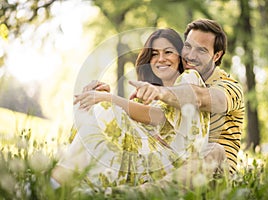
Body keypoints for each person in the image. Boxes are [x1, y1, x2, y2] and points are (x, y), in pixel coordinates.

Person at [50, 28, 210, 190]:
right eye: (154, 54)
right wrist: (102, 97)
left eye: (168, 52)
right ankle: (68, 179)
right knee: (91, 108)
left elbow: (157, 116)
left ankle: (56, 182)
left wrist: (109, 100)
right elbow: (125, 125)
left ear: (181, 57)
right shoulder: (147, 94)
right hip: (142, 156)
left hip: (169, 164)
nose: (160, 59)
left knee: (104, 108)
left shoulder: (189, 78)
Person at [130, 19, 245, 175]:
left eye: (201, 50)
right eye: (188, 47)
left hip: (215, 170)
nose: (191, 56)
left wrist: (161, 93)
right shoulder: (175, 83)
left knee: (213, 149)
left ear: (216, 56)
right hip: (174, 163)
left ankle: (145, 193)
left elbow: (200, 98)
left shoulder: (229, 86)